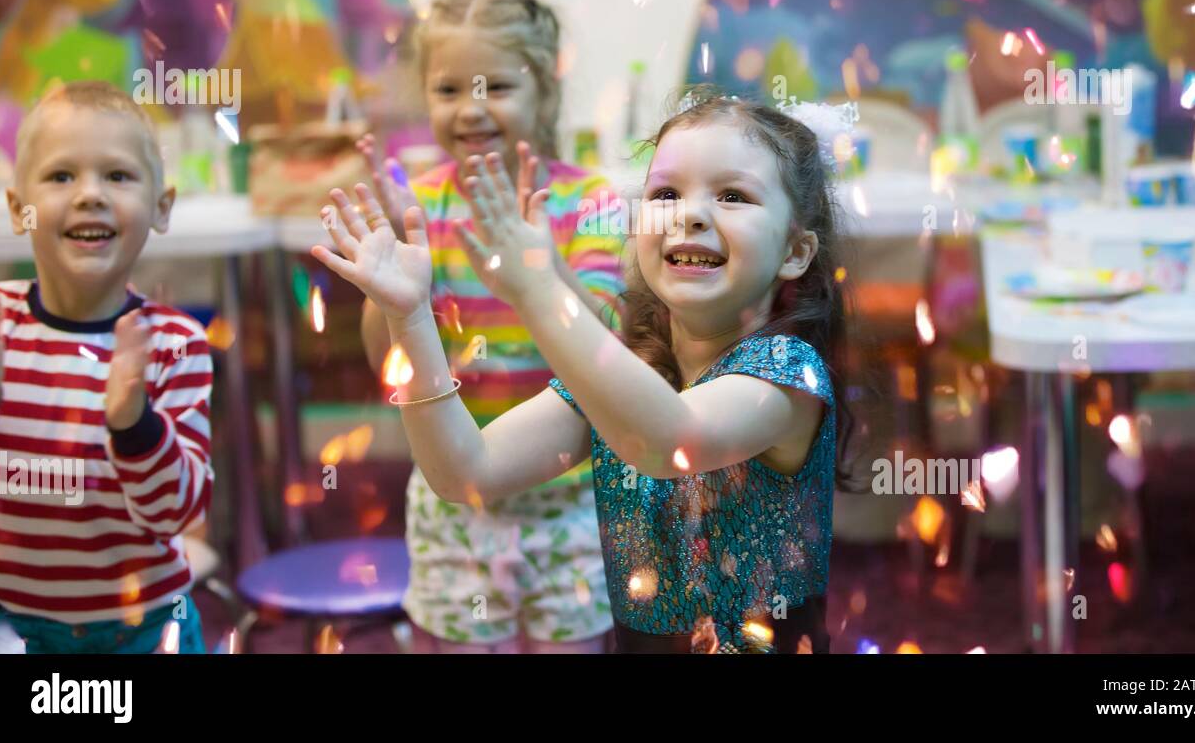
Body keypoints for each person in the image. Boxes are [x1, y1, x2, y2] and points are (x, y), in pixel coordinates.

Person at [314, 88, 858, 652]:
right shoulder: (628, 375)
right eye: (667, 193)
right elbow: (463, 473)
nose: (690, 214)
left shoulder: (788, 375)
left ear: (796, 252)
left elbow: (666, 441)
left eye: (733, 195)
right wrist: (411, 321)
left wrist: (539, 290)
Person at [356, 0, 625, 652]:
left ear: (544, 94)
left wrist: (542, 270)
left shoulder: (588, 200)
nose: (470, 110)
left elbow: (612, 345)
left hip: (572, 497)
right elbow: (386, 369)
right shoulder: (420, 206)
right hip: (457, 504)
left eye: (496, 88)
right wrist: (386, 283)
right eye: (449, 90)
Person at [0, 80, 213, 653]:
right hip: (8, 627)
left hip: (145, 630)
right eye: (62, 176)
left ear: (161, 208)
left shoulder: (175, 343)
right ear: (18, 208)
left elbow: (176, 513)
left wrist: (134, 424)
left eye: (117, 176)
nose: (90, 195)